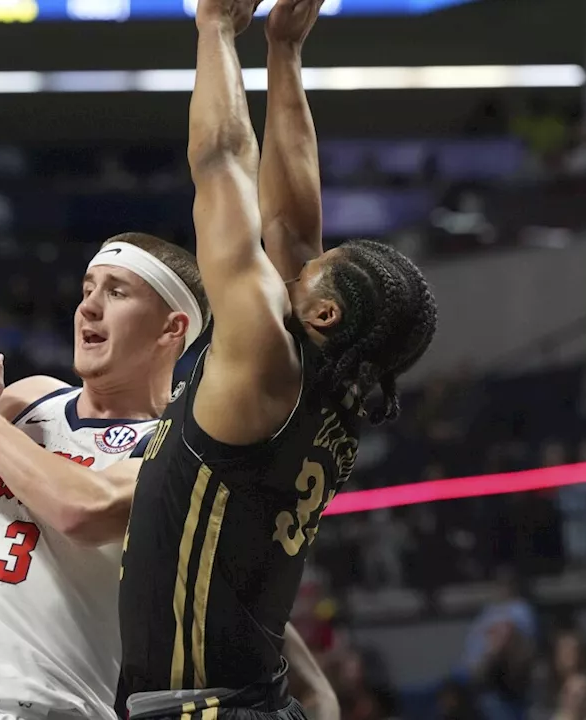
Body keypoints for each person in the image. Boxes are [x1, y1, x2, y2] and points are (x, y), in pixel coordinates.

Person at [115, 0, 436, 719]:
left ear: (322, 313)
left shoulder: (264, 355)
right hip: (245, 699)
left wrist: (214, 30)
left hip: (206, 708)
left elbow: (220, 161)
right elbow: (292, 222)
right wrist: (284, 51)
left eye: (319, 270)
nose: (303, 260)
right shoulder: (330, 380)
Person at [0, 238, 340, 720]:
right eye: (87, 288)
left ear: (172, 328)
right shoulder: (32, 402)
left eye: (117, 293)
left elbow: (82, 512)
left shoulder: (181, 449)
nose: (88, 307)